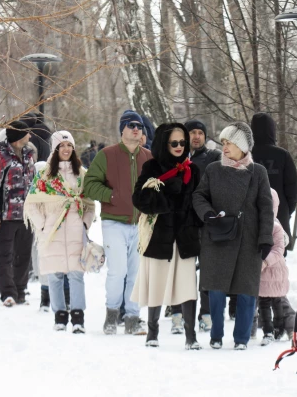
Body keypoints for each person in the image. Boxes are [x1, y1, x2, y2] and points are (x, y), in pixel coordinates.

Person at [192, 121, 274, 350]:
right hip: (218, 237)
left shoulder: (258, 172)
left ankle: (241, 339)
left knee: (247, 291)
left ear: (242, 145)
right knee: (216, 289)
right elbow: (199, 196)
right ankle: (216, 335)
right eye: (224, 142)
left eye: (230, 143)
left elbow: (266, 208)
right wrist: (208, 215)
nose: (225, 147)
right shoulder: (213, 170)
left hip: (249, 239)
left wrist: (266, 238)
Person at [131, 123, 202, 349]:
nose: (180, 146)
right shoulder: (152, 167)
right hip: (159, 237)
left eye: (183, 142)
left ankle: (191, 337)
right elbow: (139, 199)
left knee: (188, 286)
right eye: (174, 142)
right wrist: (166, 195)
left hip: (184, 237)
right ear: (164, 143)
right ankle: (152, 333)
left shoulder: (194, 169)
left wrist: (199, 223)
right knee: (156, 284)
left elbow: (199, 201)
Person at [83, 110, 152, 335]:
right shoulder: (106, 155)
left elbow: (157, 186)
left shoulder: (148, 157)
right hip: (114, 222)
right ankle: (112, 314)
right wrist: (113, 196)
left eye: (139, 126)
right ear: (121, 129)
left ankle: (132, 318)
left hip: (141, 223)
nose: (136, 129)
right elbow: (90, 185)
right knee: (118, 270)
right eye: (131, 125)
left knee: (135, 272)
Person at [25, 131, 95, 333]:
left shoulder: (81, 174)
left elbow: (90, 204)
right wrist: (43, 225)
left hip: (75, 232)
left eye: (69, 146)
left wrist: (85, 224)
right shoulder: (44, 175)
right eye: (62, 146)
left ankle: (78, 315)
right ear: (55, 149)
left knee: (76, 274)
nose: (66, 149)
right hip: (52, 232)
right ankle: (60, 315)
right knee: (55, 275)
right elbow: (32, 204)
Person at [166, 119, 222, 333]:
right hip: (181, 224)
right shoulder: (173, 158)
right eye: (192, 132)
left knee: (207, 270)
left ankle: (205, 313)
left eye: (200, 132)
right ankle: (178, 314)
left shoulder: (214, 158)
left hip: (206, 223)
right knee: (181, 270)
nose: (196, 136)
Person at [0, 121, 35, 307]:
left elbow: (33, 183)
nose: (30, 136)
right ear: (17, 137)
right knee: (6, 255)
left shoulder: (29, 155)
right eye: (27, 133)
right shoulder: (0, 157)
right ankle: (7, 292)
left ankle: (21, 290)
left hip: (27, 215)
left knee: (24, 254)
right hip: (6, 215)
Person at [250, 112, 297, 241]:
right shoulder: (282, 155)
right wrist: (286, 211)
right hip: (279, 216)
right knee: (278, 256)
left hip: (251, 217)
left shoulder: (246, 155)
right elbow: (292, 188)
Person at [258, 188, 289, 346]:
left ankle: (279, 327)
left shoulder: (276, 227)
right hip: (262, 271)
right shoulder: (256, 223)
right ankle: (268, 330)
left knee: (277, 301)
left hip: (274, 269)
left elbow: (279, 250)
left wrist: (265, 262)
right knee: (263, 302)